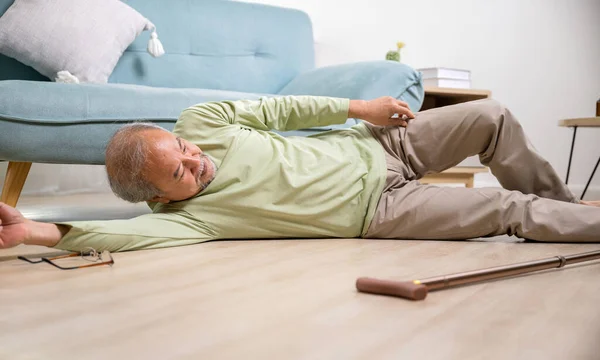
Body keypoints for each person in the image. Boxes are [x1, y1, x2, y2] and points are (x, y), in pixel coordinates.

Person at [1, 96, 599, 252]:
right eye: (180, 173)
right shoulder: (194, 219)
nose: (195, 160)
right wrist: (31, 230)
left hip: (380, 143)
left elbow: (277, 110)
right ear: (159, 198)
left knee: (492, 117)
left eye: (181, 147)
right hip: (382, 213)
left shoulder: (199, 122)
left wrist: (362, 110)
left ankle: (571, 212)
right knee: (504, 210)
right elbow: (127, 236)